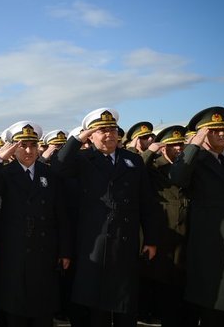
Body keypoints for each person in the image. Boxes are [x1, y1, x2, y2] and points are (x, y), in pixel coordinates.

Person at [51, 108, 160, 327]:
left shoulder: (133, 161)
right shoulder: (83, 159)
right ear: (90, 136)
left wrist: (151, 238)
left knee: (125, 302)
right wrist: (77, 139)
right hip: (95, 241)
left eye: (112, 129)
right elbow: (58, 166)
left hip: (125, 241)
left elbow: (146, 201)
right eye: (102, 130)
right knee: (96, 305)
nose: (109, 134)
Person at [0, 121, 71, 327]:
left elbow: (61, 215)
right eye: (22, 145)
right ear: (13, 148)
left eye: (33, 145)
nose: (29, 150)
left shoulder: (49, 174)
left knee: (42, 305)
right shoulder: (4, 173)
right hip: (13, 249)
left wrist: (65, 250)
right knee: (14, 306)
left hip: (45, 249)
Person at [170, 107, 224, 326]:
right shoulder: (196, 160)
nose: (221, 134)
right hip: (211, 240)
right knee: (214, 302)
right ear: (203, 134)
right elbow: (177, 177)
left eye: (223, 129)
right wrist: (193, 145)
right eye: (213, 130)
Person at [138, 125, 198, 327]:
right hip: (164, 234)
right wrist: (150, 151)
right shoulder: (154, 166)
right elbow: (136, 168)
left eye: (182, 144)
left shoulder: (188, 166)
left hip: (188, 233)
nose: (180, 148)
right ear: (163, 148)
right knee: (165, 287)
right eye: (174, 145)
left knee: (186, 285)